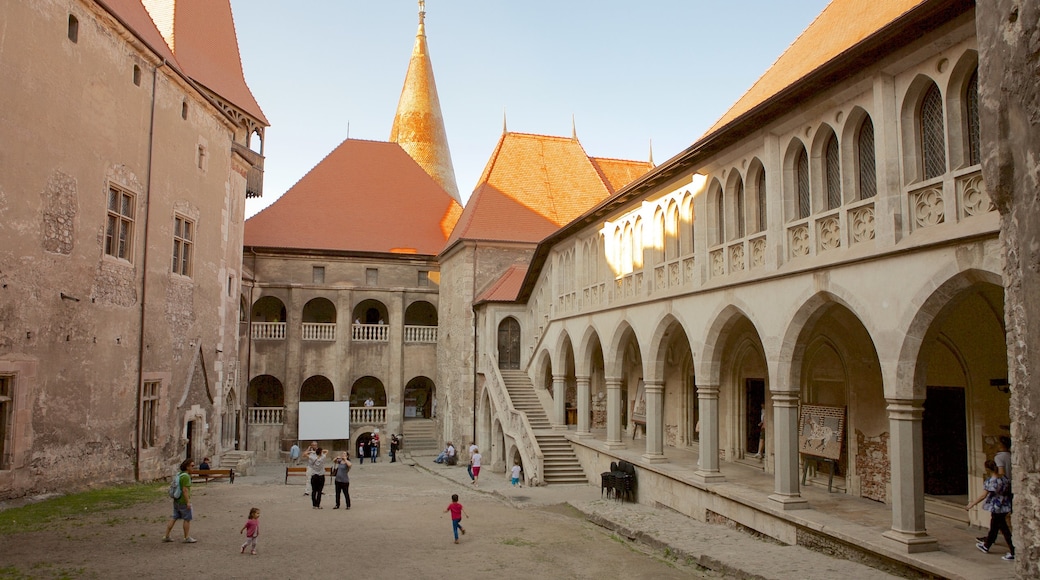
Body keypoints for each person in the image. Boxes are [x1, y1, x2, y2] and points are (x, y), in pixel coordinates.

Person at [966, 459, 1014, 561]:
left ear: (987, 469)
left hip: (996, 507)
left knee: (1004, 529)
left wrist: (972, 504)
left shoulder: (990, 481)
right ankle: (987, 545)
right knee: (995, 526)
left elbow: (983, 495)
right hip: (1004, 505)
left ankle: (1013, 550)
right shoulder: (1004, 479)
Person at [162, 458, 196, 543]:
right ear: (187, 467)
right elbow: (185, 490)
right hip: (183, 501)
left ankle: (166, 535)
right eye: (192, 466)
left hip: (176, 500)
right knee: (187, 519)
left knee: (174, 517)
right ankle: (186, 537)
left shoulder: (179, 474)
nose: (193, 467)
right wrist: (188, 501)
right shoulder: (186, 477)